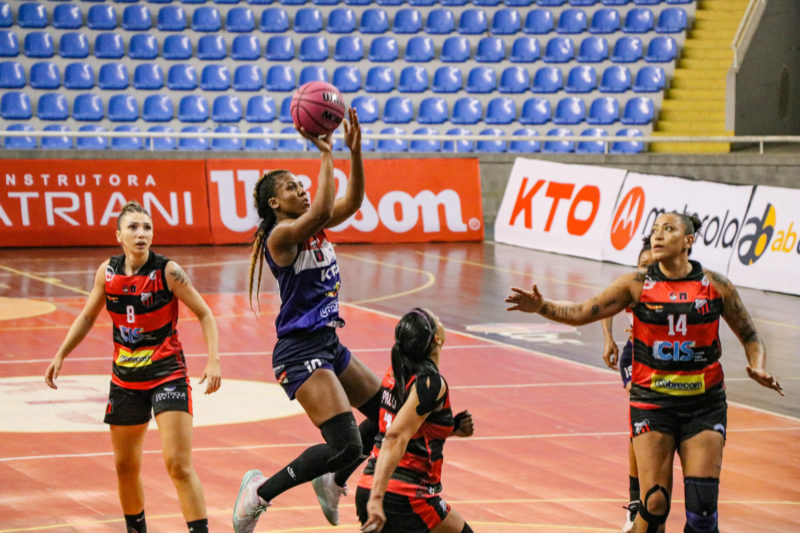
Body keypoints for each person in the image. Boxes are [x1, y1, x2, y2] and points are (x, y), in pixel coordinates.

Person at [505, 212, 783, 533]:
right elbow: (583, 311)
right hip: (653, 403)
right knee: (654, 504)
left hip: (704, 406)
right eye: (654, 230)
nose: (658, 235)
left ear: (688, 241)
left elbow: (750, 336)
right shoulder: (636, 284)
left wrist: (758, 365)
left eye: (668, 229)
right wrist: (542, 306)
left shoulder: (715, 285)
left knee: (703, 514)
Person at [233, 108, 384, 533]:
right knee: (346, 444)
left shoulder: (312, 226)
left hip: (329, 344)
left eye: (302, 185)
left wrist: (354, 152)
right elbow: (319, 212)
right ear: (274, 203)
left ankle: (332, 481)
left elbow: (350, 202)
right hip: (300, 351)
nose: (301, 190)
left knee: (388, 414)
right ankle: (258, 494)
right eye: (291, 188)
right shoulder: (279, 237)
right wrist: (326, 155)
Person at [44, 201, 222, 533]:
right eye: (133, 228)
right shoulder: (107, 273)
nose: (141, 234)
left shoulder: (167, 271)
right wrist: (61, 354)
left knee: (178, 465)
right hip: (125, 379)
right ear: (119, 236)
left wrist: (214, 360)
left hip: (167, 373)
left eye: (147, 227)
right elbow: (86, 316)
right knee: (125, 467)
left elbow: (205, 313)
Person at [357, 308, 475, 533]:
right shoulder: (431, 383)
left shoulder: (396, 373)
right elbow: (394, 436)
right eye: (438, 319)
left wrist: (451, 429)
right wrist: (377, 498)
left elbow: (405, 426)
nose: (441, 320)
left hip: (371, 484)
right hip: (403, 496)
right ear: (436, 339)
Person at [599, 237, 653, 533]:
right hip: (637, 358)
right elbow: (603, 305)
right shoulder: (633, 287)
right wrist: (608, 338)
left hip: (666, 365)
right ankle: (635, 502)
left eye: (651, 265)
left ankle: (653, 498)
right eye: (642, 265)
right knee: (638, 427)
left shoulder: (676, 290)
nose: (647, 269)